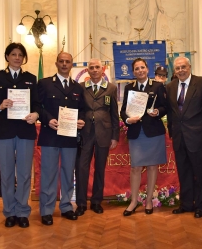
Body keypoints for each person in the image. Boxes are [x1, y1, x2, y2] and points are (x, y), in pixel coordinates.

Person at [0, 42, 41, 228]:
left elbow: (38, 104)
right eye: (13, 54)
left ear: (24, 58)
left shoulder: (31, 78)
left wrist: (36, 114)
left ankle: (22, 211)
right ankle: (9, 211)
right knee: (7, 174)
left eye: (20, 55)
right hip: (4, 131)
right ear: (7, 56)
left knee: (24, 174)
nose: (17, 57)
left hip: (25, 130)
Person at [37, 52, 85, 225]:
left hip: (70, 137)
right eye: (62, 61)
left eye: (68, 62)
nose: (65, 64)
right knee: (49, 174)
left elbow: (83, 110)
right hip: (50, 135)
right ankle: (47, 210)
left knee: (67, 173)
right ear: (56, 63)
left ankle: (66, 207)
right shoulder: (45, 83)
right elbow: (37, 105)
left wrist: (82, 120)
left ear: (72, 64)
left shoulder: (78, 88)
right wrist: (47, 118)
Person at [166, 56, 202, 218]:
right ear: (174, 71)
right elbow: (171, 112)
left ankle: (201, 205)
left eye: (183, 67)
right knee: (184, 171)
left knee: (200, 172)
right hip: (179, 137)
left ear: (190, 67)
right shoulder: (170, 86)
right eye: (178, 68)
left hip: (198, 136)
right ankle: (187, 204)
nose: (181, 70)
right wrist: (172, 131)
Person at [120, 58, 167, 216]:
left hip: (153, 131)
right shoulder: (128, 88)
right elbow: (123, 110)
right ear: (133, 72)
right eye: (137, 69)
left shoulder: (158, 86)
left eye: (142, 67)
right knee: (136, 167)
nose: (140, 70)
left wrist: (157, 112)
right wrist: (127, 119)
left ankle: (148, 201)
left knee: (153, 166)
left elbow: (165, 107)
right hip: (136, 131)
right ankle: (134, 201)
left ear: (147, 69)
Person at [75, 58, 119, 216]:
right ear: (87, 71)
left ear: (103, 69)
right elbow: (78, 109)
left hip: (104, 134)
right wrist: (77, 120)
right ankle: (81, 203)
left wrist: (115, 136)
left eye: (97, 67)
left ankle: (96, 201)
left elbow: (115, 114)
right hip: (85, 134)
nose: (94, 70)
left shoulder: (111, 88)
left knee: (100, 169)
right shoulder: (80, 87)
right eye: (91, 67)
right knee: (81, 168)